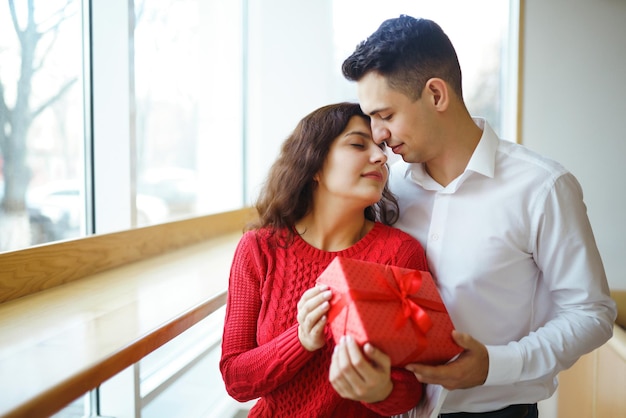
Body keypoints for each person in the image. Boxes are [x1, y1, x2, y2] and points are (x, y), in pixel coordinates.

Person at [340, 15, 617, 417]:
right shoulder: (387, 190)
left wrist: (495, 364)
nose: (378, 134)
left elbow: (591, 314)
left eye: (385, 115)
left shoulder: (542, 187)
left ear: (436, 95)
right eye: (371, 119)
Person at [220, 102, 428, 417]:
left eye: (382, 147)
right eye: (359, 144)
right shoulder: (259, 248)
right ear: (314, 164)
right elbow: (236, 380)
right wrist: (300, 340)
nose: (381, 156)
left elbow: (413, 388)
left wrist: (381, 390)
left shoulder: (400, 253)